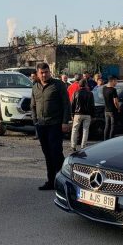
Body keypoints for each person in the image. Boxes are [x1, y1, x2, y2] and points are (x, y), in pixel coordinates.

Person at [31, 62, 70, 191]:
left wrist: (65, 122)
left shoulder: (58, 85)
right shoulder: (35, 87)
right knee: (47, 154)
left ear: (49, 72)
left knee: (56, 153)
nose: (44, 75)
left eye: (46, 72)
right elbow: (33, 106)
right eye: (41, 73)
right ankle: (51, 181)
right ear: (37, 74)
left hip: (55, 124)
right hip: (41, 125)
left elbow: (66, 104)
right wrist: (35, 121)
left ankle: (64, 181)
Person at [70, 79, 94, 151]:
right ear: (86, 85)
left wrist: (72, 114)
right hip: (87, 114)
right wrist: (92, 115)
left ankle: (73, 145)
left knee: (74, 130)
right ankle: (83, 146)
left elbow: (72, 104)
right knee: (85, 130)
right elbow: (92, 105)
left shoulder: (75, 93)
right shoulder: (90, 93)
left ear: (79, 85)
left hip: (77, 114)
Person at [103, 76, 120, 140]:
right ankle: (111, 139)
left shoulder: (104, 88)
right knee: (113, 126)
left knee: (107, 126)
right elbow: (115, 101)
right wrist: (118, 108)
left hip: (106, 110)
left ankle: (105, 139)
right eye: (116, 81)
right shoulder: (113, 90)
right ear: (112, 81)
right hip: (112, 111)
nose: (116, 83)